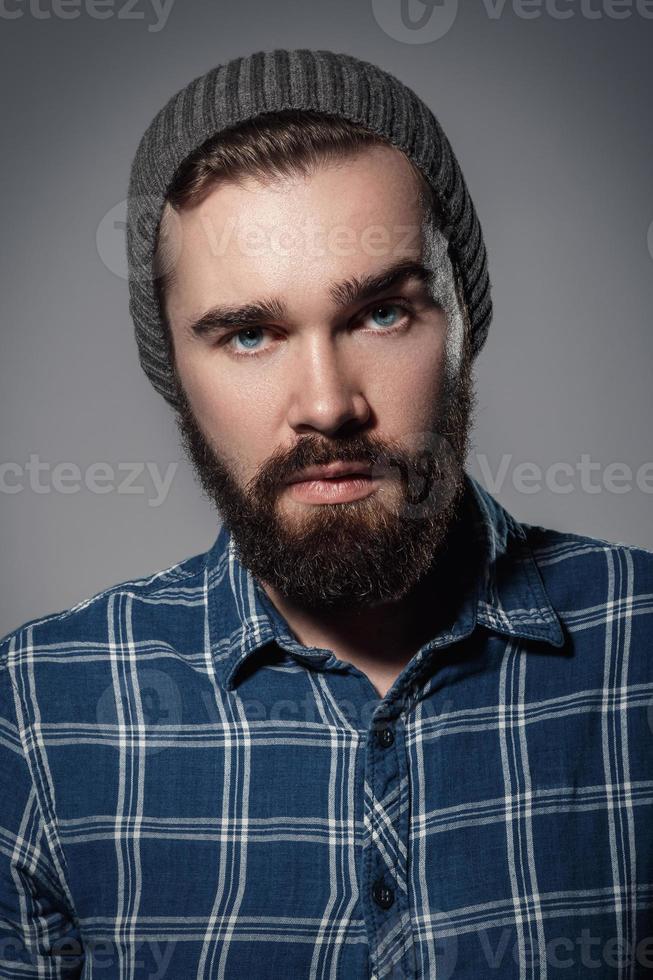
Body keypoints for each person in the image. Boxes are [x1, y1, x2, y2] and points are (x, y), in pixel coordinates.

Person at [1, 48, 651, 980]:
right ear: (172, 372)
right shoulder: (31, 716)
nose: (328, 404)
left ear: (464, 319)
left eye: (380, 314)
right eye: (250, 335)